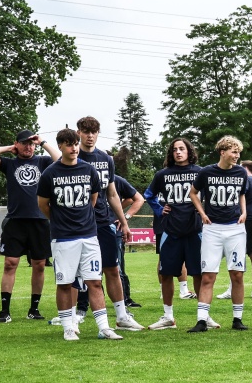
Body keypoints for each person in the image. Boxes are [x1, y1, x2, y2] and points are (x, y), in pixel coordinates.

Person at [36, 128, 120, 341]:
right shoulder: (50, 173)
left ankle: (104, 327)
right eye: (68, 144)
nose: (74, 148)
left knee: (94, 281)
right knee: (65, 283)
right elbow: (43, 205)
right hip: (64, 237)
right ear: (61, 146)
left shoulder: (88, 170)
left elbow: (93, 199)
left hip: (89, 235)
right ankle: (68, 327)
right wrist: (61, 220)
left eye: (75, 143)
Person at [74, 117, 144, 332]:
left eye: (94, 131)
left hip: (104, 223)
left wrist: (124, 222)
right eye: (86, 131)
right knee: (77, 273)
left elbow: (112, 193)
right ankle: (73, 316)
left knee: (112, 269)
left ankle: (122, 316)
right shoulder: (72, 157)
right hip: (79, 224)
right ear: (79, 133)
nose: (90, 135)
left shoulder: (106, 159)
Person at [0, 130, 59, 323]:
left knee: (40, 265)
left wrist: (42, 142)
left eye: (31, 143)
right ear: (17, 144)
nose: (28, 147)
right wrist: (10, 148)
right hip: (16, 221)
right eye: (24, 143)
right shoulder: (9, 164)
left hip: (40, 221)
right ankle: (5, 311)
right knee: (10, 263)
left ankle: (34, 309)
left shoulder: (43, 162)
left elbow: (59, 157)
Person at [187, 135, 251, 333]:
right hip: (212, 229)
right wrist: (202, 213)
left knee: (237, 274)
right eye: (233, 151)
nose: (237, 156)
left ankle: (237, 319)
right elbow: (193, 193)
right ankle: (201, 320)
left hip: (235, 229)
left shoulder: (241, 172)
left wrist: (244, 212)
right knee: (208, 276)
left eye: (238, 152)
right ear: (222, 152)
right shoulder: (206, 172)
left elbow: (241, 193)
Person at [145, 138, 203, 330]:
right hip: (171, 230)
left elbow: (211, 193)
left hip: (195, 230)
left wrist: (204, 210)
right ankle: (168, 316)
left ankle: (203, 315)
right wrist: (160, 209)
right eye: (175, 149)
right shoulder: (162, 174)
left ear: (189, 151)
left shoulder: (199, 172)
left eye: (182, 149)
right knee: (167, 273)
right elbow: (149, 195)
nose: (178, 152)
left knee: (198, 273)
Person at [218, 160, 252, 301]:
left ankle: (231, 289)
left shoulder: (246, 180)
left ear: (245, 169)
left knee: (238, 254)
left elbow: (238, 197)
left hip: (249, 219)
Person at [112, 175, 146, 309]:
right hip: (90, 229)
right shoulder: (85, 175)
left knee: (118, 267)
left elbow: (137, 199)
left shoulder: (117, 180)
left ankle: (126, 299)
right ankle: (84, 304)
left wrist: (123, 215)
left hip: (113, 229)